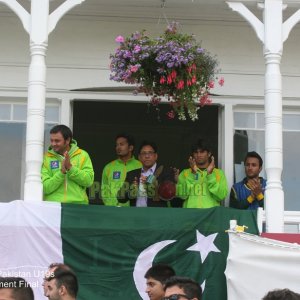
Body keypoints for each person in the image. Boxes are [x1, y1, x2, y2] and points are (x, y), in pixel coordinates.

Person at [41, 125, 94, 204]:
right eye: (51, 140)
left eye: (57, 141)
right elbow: (45, 188)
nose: (53, 144)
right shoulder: (46, 158)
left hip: (78, 206)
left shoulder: (82, 155)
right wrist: (61, 173)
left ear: (68, 140)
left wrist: (70, 168)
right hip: (53, 206)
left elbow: (89, 181)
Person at [117, 141, 178, 207]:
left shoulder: (166, 172)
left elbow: (169, 194)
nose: (147, 156)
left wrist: (150, 185)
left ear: (156, 156)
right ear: (139, 157)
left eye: (150, 153)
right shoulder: (132, 174)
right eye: (143, 153)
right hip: (135, 215)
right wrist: (130, 193)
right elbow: (120, 198)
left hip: (156, 215)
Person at [176, 139, 228, 208]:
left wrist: (210, 175)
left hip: (210, 215)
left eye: (202, 152)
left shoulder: (219, 173)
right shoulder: (185, 173)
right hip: (190, 216)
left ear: (209, 154)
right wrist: (192, 173)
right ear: (192, 155)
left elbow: (220, 196)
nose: (199, 155)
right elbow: (182, 195)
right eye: (196, 152)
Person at [101, 133, 142, 206]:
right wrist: (111, 205)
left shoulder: (140, 165)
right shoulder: (109, 167)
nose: (118, 147)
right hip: (114, 210)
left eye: (121, 144)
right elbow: (104, 190)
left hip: (134, 210)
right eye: (117, 145)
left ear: (130, 148)